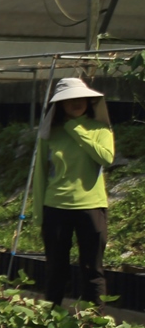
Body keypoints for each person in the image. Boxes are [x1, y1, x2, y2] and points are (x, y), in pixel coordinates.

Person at [34, 76, 116, 307]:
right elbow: (40, 174)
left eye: (81, 98)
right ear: (60, 104)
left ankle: (94, 327)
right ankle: (50, 318)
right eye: (70, 100)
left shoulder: (101, 129)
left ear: (89, 101)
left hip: (91, 206)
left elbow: (105, 157)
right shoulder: (50, 134)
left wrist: (75, 129)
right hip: (56, 206)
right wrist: (38, 213)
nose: (76, 102)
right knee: (56, 268)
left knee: (92, 268)